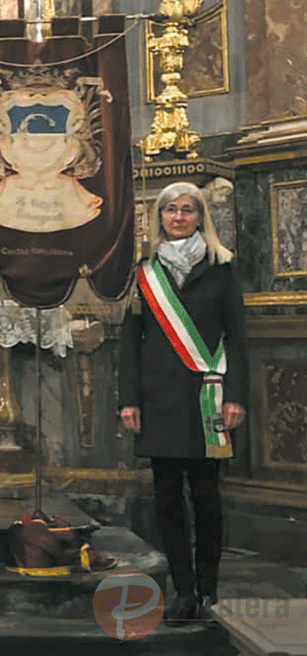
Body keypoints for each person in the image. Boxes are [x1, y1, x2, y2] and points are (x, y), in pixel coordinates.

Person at [119, 181, 248, 623]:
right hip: (159, 400)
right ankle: (183, 590)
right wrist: (129, 399)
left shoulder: (222, 267)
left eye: (187, 210)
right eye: (170, 210)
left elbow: (238, 337)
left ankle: (208, 587)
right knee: (168, 499)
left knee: (208, 497)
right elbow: (130, 341)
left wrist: (236, 396)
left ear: (200, 217)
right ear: (159, 217)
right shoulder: (144, 272)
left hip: (208, 398)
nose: (178, 217)